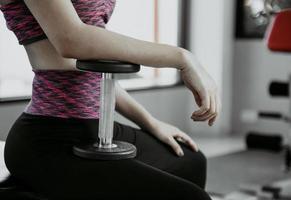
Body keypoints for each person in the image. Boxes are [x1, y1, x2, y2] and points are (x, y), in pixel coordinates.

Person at [0, 0, 220, 199]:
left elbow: (90, 77)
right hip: (49, 136)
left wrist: (151, 122)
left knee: (190, 161)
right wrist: (183, 58)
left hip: (96, 128)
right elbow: (71, 40)